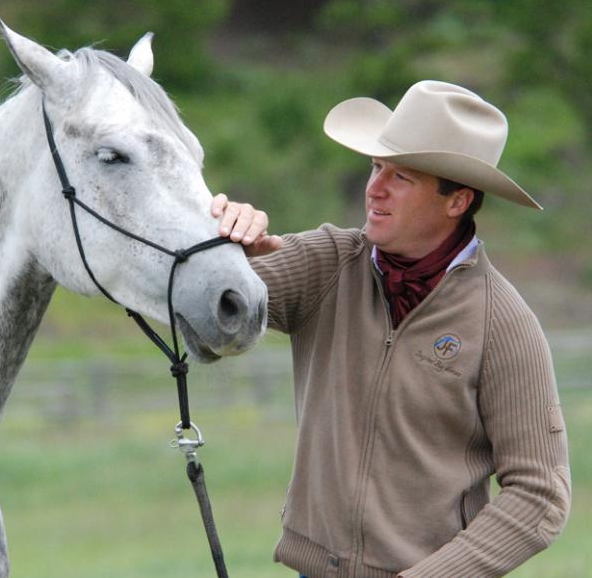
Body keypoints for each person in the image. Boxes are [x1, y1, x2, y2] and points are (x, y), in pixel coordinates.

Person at [211, 80, 570, 578]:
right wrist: (223, 238)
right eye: (377, 166)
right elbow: (205, 297)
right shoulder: (327, 264)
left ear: (457, 201)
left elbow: (541, 495)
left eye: (401, 176)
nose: (374, 188)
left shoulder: (503, 323)